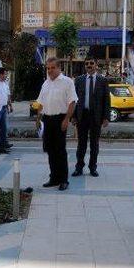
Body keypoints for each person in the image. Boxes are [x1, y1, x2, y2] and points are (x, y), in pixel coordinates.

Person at [36, 57, 77, 191]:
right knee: (50, 150)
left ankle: (64, 180)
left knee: (60, 151)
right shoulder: (45, 83)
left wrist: (67, 119)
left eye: (53, 67)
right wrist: (38, 119)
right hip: (47, 120)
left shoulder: (67, 82)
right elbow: (40, 103)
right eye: (48, 68)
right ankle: (54, 178)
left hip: (60, 119)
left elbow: (72, 102)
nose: (50, 70)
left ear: (59, 68)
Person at [73, 58, 109, 178]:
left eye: (91, 63)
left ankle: (93, 168)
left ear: (96, 65)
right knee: (81, 144)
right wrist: (73, 116)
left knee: (94, 144)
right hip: (82, 116)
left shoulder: (103, 80)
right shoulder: (79, 80)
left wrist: (106, 117)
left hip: (96, 117)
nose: (89, 65)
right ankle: (79, 168)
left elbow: (106, 100)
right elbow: (74, 100)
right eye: (87, 63)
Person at [0, 67, 11, 155]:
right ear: (0, 74)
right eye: (5, 74)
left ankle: (2, 147)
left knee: (4, 128)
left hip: (4, 108)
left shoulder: (4, 83)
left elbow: (7, 95)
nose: (6, 76)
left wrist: (8, 105)